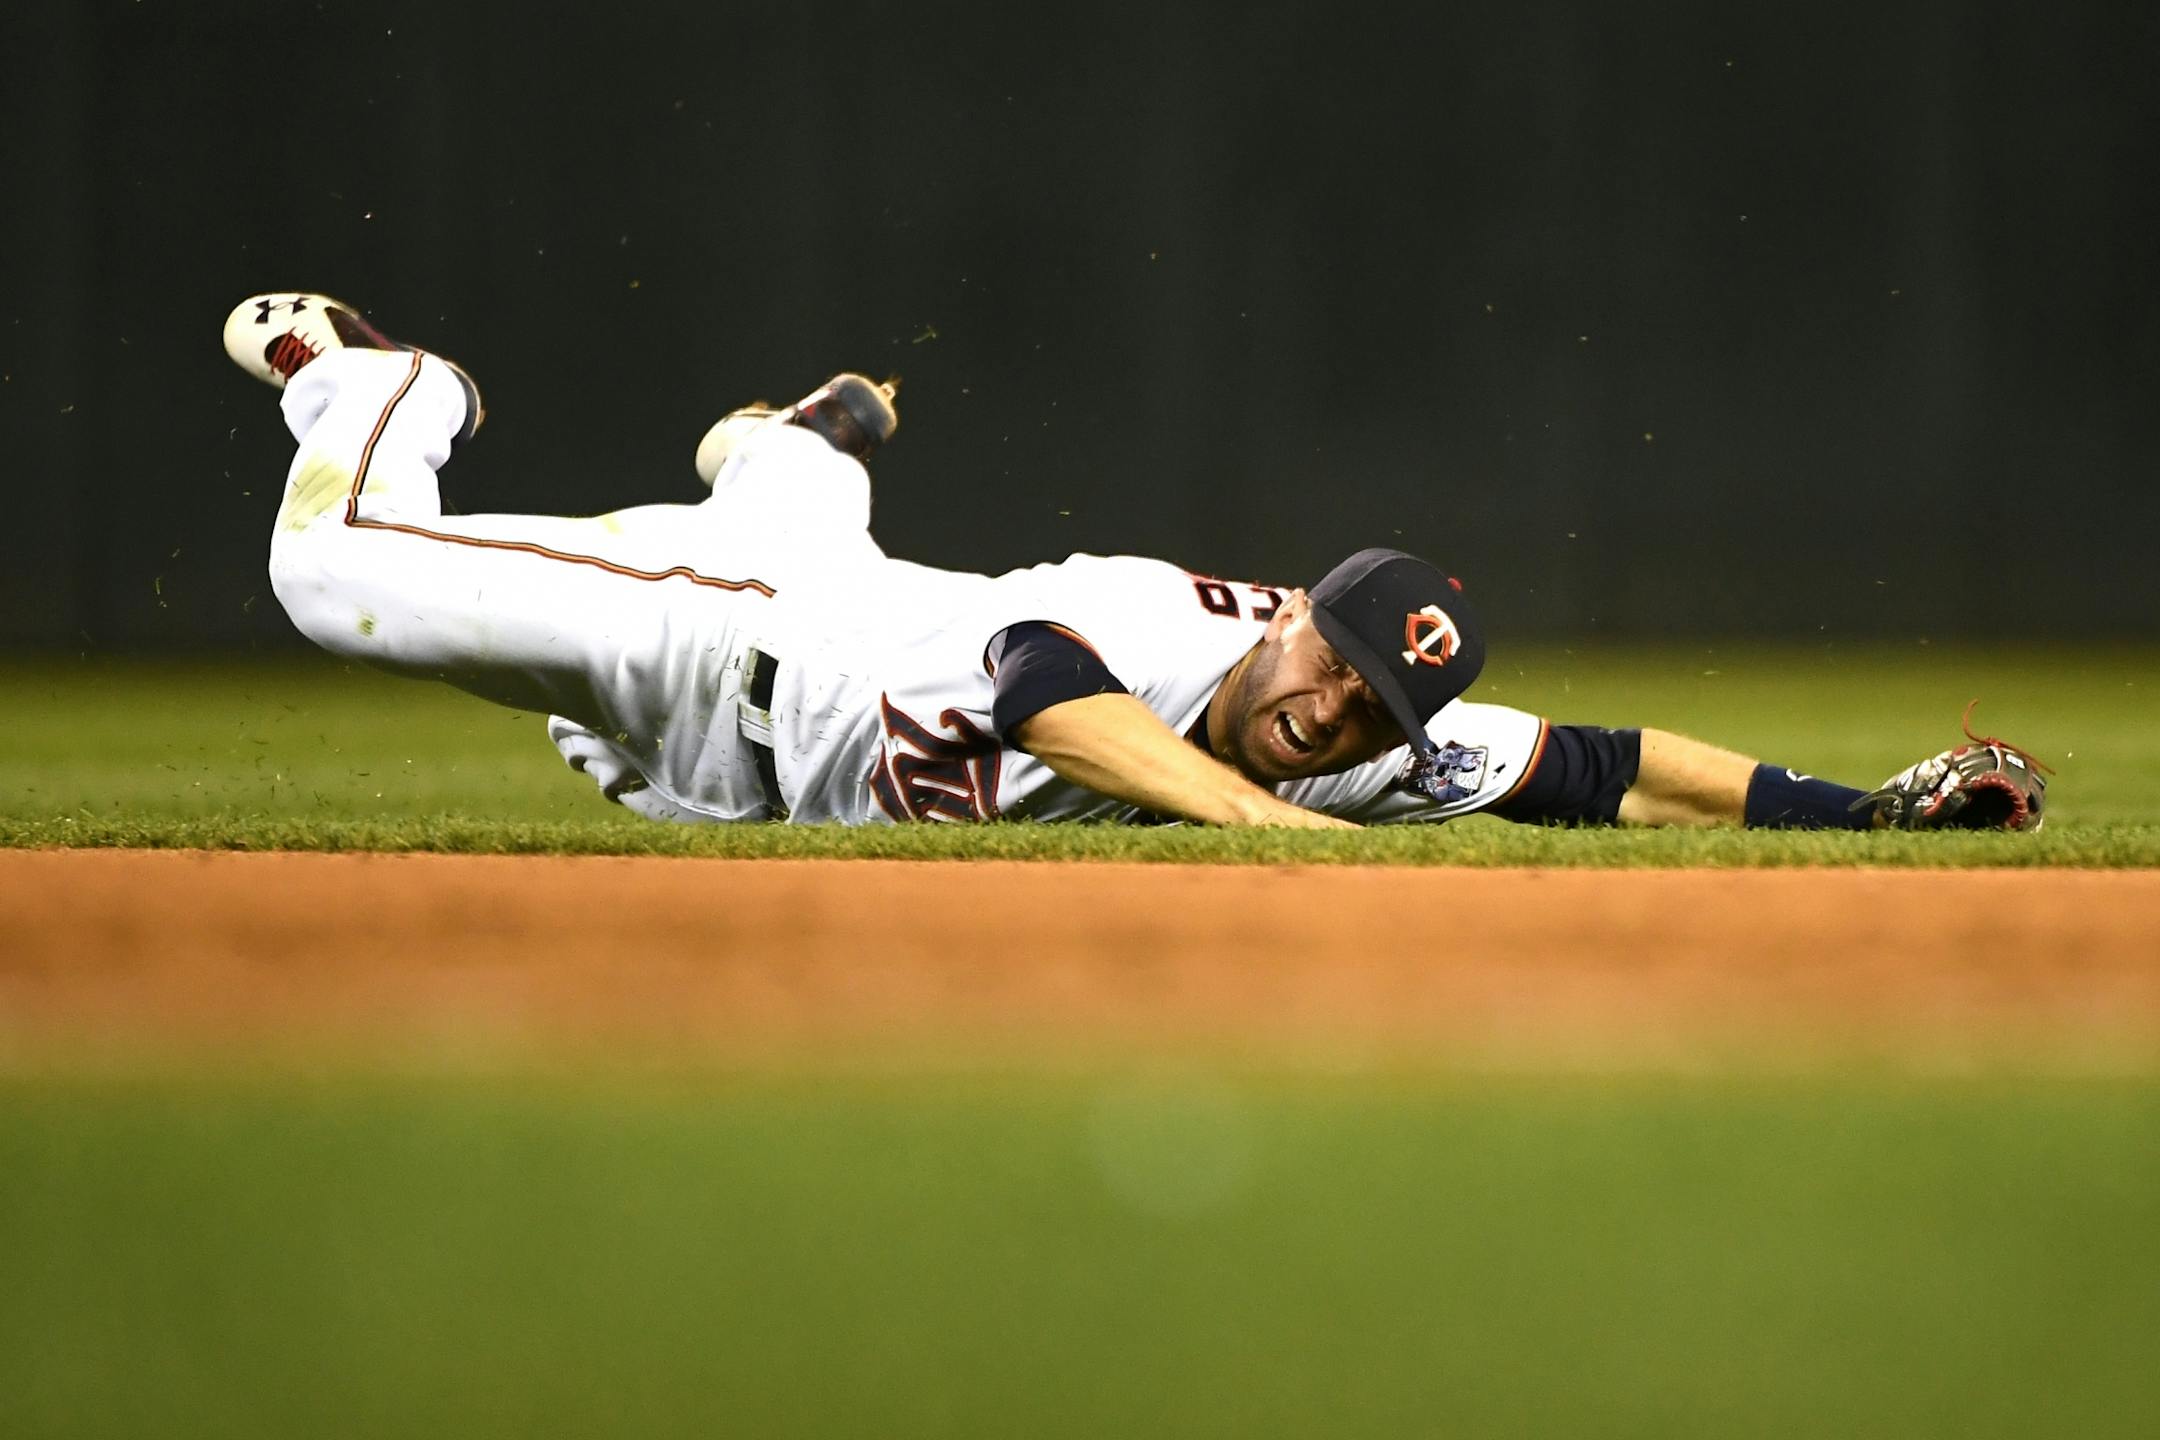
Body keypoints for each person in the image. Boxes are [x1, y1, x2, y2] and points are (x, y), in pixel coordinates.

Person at [222, 293, 2048, 833]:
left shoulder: (1385, 743)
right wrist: (1264, 837)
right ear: (1296, 611)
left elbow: (1607, 770)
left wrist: (1859, 819)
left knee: (796, 505)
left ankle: (797, 449)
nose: (1335, 711)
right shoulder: (1171, 618)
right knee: (339, 584)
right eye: (1336, 661)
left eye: (1376, 706)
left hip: (758, 780)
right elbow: (1044, 698)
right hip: (737, 654)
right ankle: (385, 393)